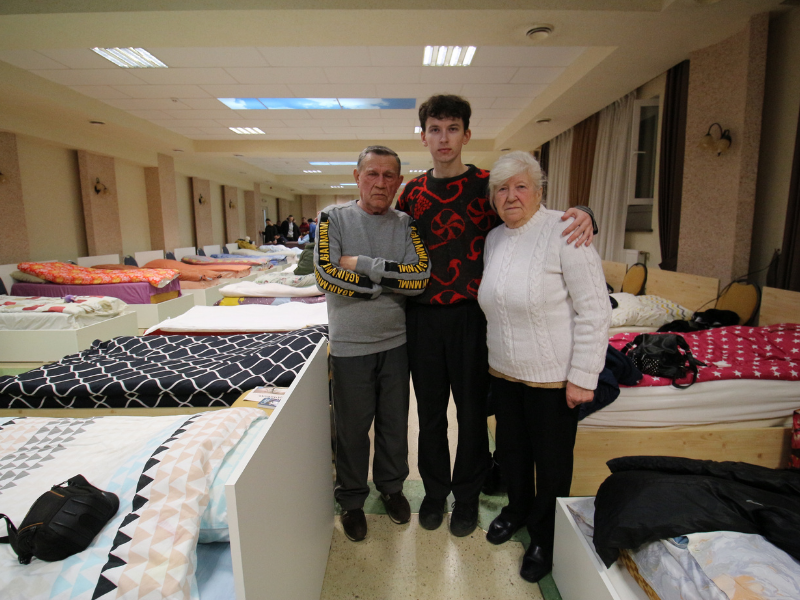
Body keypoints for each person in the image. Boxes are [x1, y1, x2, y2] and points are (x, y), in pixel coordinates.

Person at [396, 94, 596, 538]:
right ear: (424, 135)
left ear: (467, 134)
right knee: (429, 415)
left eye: (452, 128)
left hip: (473, 320)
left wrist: (585, 214)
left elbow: (531, 216)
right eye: (435, 129)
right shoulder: (411, 193)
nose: (443, 138)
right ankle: (433, 493)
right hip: (423, 319)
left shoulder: (490, 186)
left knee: (470, 416)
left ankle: (467, 497)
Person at [477, 151, 610, 583]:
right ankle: (516, 509)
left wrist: (583, 377)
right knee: (512, 453)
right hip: (505, 372)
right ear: (493, 197)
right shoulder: (494, 239)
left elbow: (595, 311)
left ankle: (546, 538)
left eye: (520, 186)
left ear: (538, 191)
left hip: (554, 378)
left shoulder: (566, 231)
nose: (511, 195)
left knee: (552, 464)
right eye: (502, 188)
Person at [314, 145, 431, 542]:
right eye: (372, 174)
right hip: (350, 346)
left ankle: (392, 488)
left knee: (395, 425)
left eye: (389, 176)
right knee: (352, 429)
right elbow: (327, 276)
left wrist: (362, 265)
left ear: (399, 181)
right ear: (357, 176)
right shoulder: (332, 218)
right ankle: (351, 499)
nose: (380, 183)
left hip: (397, 344)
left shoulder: (406, 224)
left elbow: (420, 279)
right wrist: (387, 282)